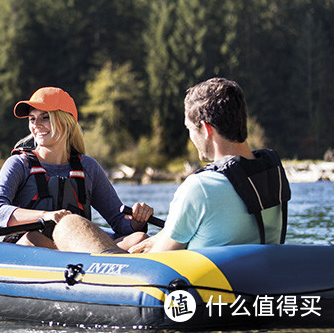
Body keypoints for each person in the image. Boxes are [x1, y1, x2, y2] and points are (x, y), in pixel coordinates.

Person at [51, 77, 291, 254]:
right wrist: (153, 240)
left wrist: (142, 248)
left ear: (206, 129)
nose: (190, 137)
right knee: (140, 238)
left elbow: (158, 259)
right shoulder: (272, 173)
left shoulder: (202, 186)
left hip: (194, 283)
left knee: (69, 225)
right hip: (255, 277)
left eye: (189, 129)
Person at [0, 86, 153, 250]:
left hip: (76, 246)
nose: (36, 125)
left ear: (66, 122)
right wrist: (44, 215)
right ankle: (107, 259)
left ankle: (111, 263)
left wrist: (137, 221)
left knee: (139, 238)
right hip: (34, 246)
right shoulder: (19, 164)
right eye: (32, 118)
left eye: (45, 117)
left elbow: (118, 221)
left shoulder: (88, 167)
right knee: (33, 239)